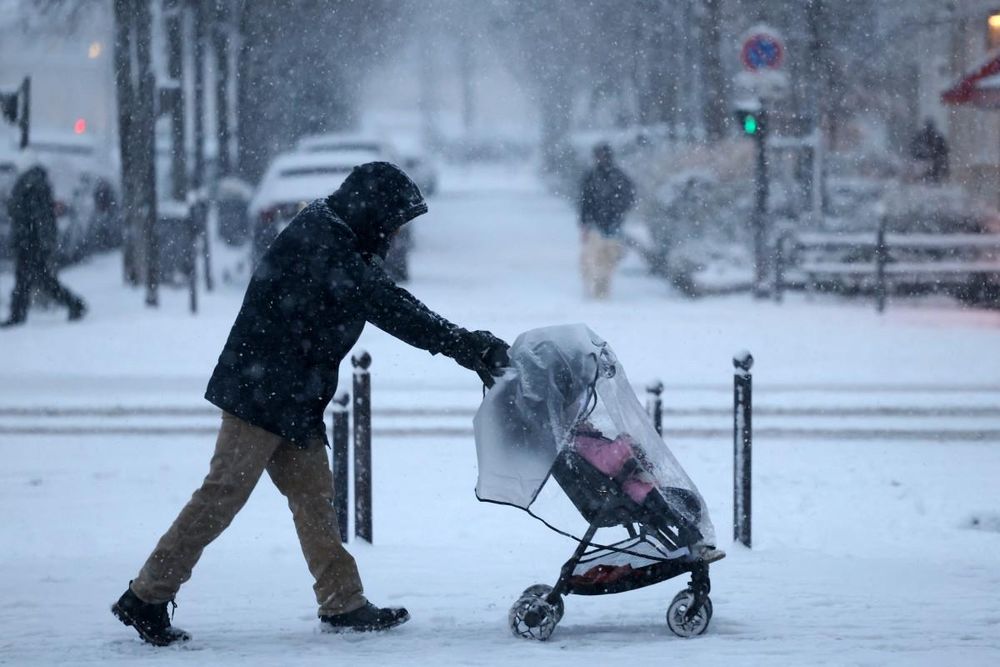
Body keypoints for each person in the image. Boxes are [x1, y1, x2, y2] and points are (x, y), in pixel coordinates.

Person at [111, 162, 510, 646]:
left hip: (290, 393)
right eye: (394, 223)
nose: (394, 235)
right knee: (222, 495)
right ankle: (146, 595)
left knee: (313, 496)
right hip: (261, 393)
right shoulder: (327, 244)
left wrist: (465, 345)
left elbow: (383, 297)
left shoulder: (335, 229)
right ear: (373, 213)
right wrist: (467, 346)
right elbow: (391, 307)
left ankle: (343, 602)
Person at [1, 164, 87, 327]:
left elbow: (37, 217)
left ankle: (74, 304)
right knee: (30, 279)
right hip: (31, 242)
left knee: (36, 279)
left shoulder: (31, 187)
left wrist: (37, 240)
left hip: (30, 242)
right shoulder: (35, 185)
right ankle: (18, 313)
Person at [577, 143, 636, 299]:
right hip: (597, 225)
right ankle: (597, 287)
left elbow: (628, 198)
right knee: (596, 258)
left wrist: (618, 212)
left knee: (608, 260)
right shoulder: (591, 177)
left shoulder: (618, 177)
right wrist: (584, 224)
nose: (600, 159)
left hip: (612, 224)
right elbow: (584, 202)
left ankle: (603, 288)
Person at [909, 119, 949, 183]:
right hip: (925, 162)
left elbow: (944, 152)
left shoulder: (922, 137)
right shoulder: (936, 137)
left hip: (929, 162)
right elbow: (944, 152)